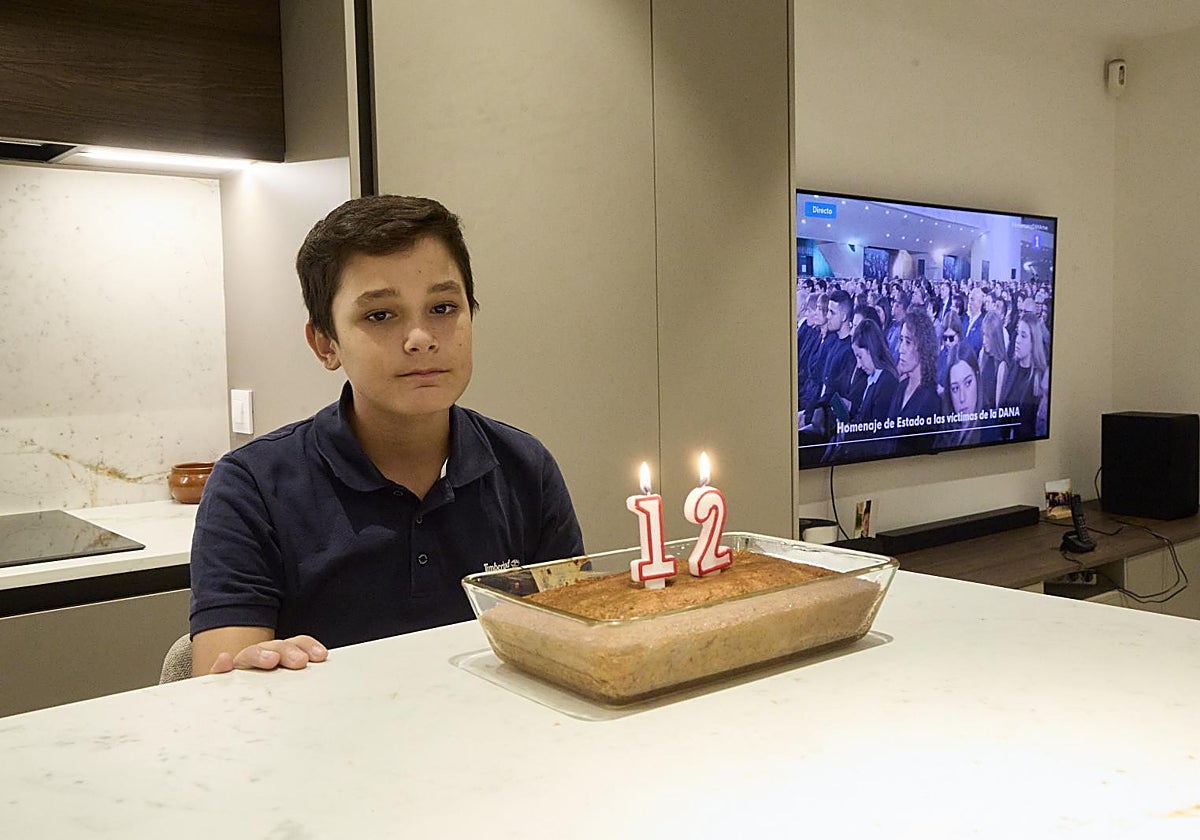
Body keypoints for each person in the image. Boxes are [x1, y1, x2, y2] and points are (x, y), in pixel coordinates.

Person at [188, 195, 585, 676]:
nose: (421, 337)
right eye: (380, 315)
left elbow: (572, 644)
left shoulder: (526, 467)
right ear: (325, 343)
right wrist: (249, 669)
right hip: (323, 743)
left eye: (443, 307)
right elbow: (219, 683)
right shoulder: (251, 487)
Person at [885, 307, 941, 456]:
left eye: (908, 342)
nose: (900, 349)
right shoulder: (901, 387)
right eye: (901, 340)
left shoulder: (931, 400)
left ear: (923, 347)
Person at [998, 312, 1050, 440]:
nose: (1018, 340)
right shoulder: (1012, 367)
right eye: (1018, 333)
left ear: (1034, 342)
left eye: (1024, 336)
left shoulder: (1040, 379)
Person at [935, 342, 985, 449]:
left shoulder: (989, 430)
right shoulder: (945, 430)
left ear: (977, 378)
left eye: (968, 383)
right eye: (955, 388)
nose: (962, 398)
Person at [978, 311, 1008, 410]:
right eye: (983, 335)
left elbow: (997, 407)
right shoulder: (983, 356)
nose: (984, 340)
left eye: (987, 336)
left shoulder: (1001, 366)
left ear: (995, 337)